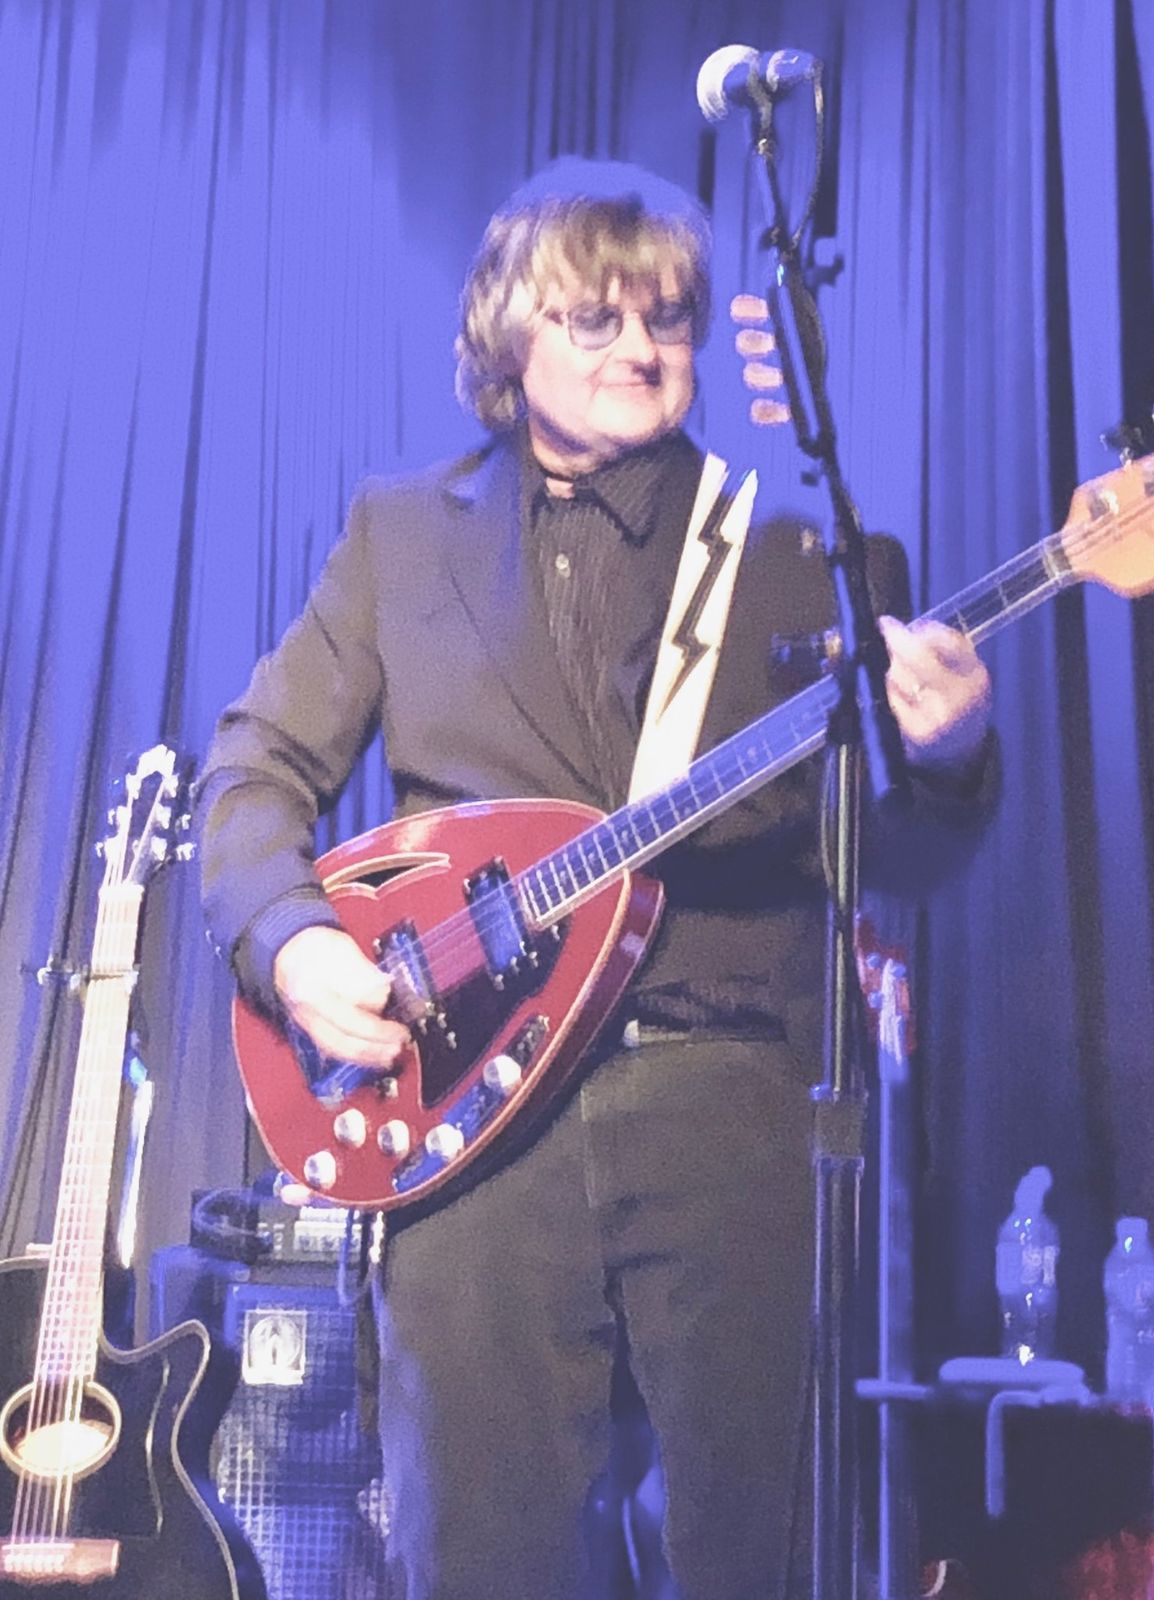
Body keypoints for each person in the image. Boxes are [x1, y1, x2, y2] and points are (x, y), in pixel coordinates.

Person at [196, 157, 995, 1600]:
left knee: (757, 1555)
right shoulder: (400, 533)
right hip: (469, 1117)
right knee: (476, 1555)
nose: (640, 347)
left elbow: (903, 857)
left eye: (668, 318)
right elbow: (253, 772)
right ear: (509, 335)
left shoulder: (806, 553)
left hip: (729, 1096)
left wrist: (948, 753)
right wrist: (295, 941)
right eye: (597, 317)